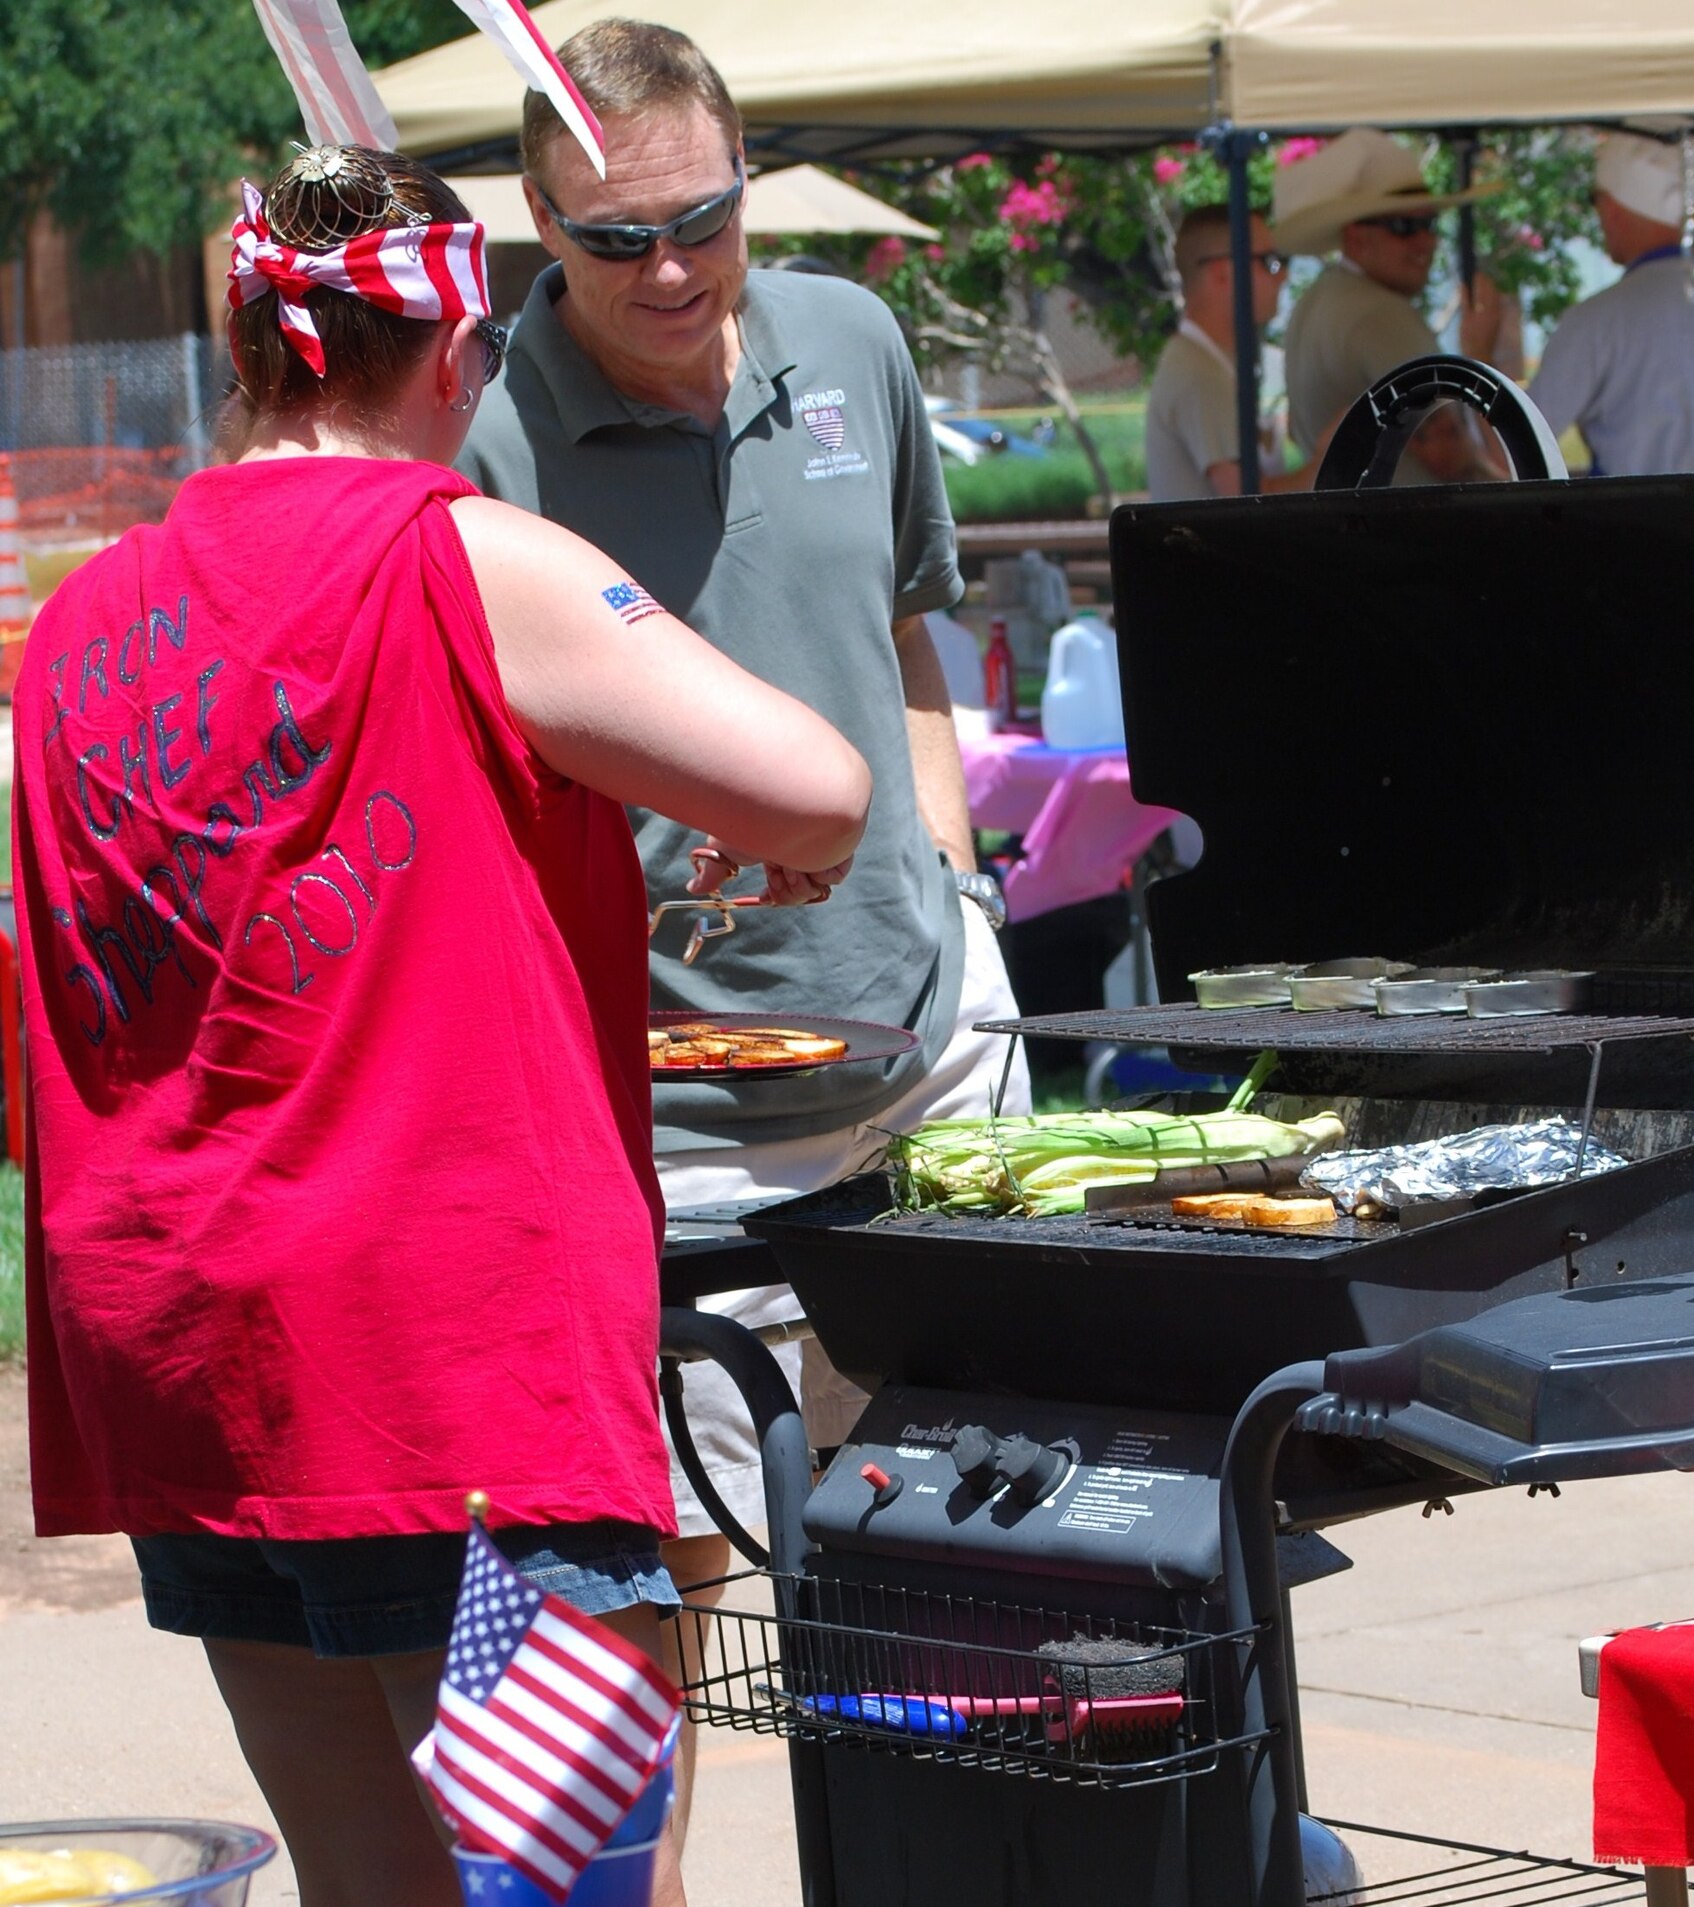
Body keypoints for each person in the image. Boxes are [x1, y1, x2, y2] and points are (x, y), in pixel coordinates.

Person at [14, 145, 871, 1907]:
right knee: (563, 1894)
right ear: (455, 355)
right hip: (454, 1377)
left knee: (372, 1888)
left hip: (195, 1358)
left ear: (251, 342)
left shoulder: (76, 623)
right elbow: (821, 788)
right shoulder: (469, 557)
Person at [455, 16, 1031, 1832]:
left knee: (964, 1538)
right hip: (681, 1113)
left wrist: (950, 875)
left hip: (930, 1044)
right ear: (542, 229)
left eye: (705, 217)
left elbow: (911, 632)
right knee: (671, 1590)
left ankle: (976, 1869)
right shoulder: (493, 438)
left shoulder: (851, 338)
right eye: (616, 240)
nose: (674, 268)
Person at [1273, 128, 1509, 482]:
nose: (1426, 241)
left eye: (1429, 224)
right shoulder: (1381, 314)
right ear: (1356, 238)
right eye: (1404, 226)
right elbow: (1450, 455)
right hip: (1410, 529)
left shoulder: (1316, 302)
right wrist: (1482, 357)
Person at [1529, 132, 1694, 476]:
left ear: (1611, 208)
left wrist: (1478, 349)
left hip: (1634, 525)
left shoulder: (1596, 321)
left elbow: (1519, 445)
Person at [1144, 205, 1329, 500]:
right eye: (1269, 261)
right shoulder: (1199, 373)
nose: (1282, 275)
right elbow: (1251, 504)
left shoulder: (1209, 362)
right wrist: (1328, 460)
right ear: (1222, 273)